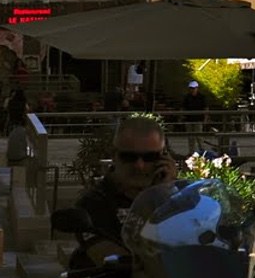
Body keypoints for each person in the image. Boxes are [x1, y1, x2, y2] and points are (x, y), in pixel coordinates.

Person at [70, 114, 176, 269]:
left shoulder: (177, 197)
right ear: (114, 156)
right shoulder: (93, 203)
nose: (139, 165)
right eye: (129, 157)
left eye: (150, 157)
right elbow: (117, 263)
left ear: (164, 157)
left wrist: (166, 193)